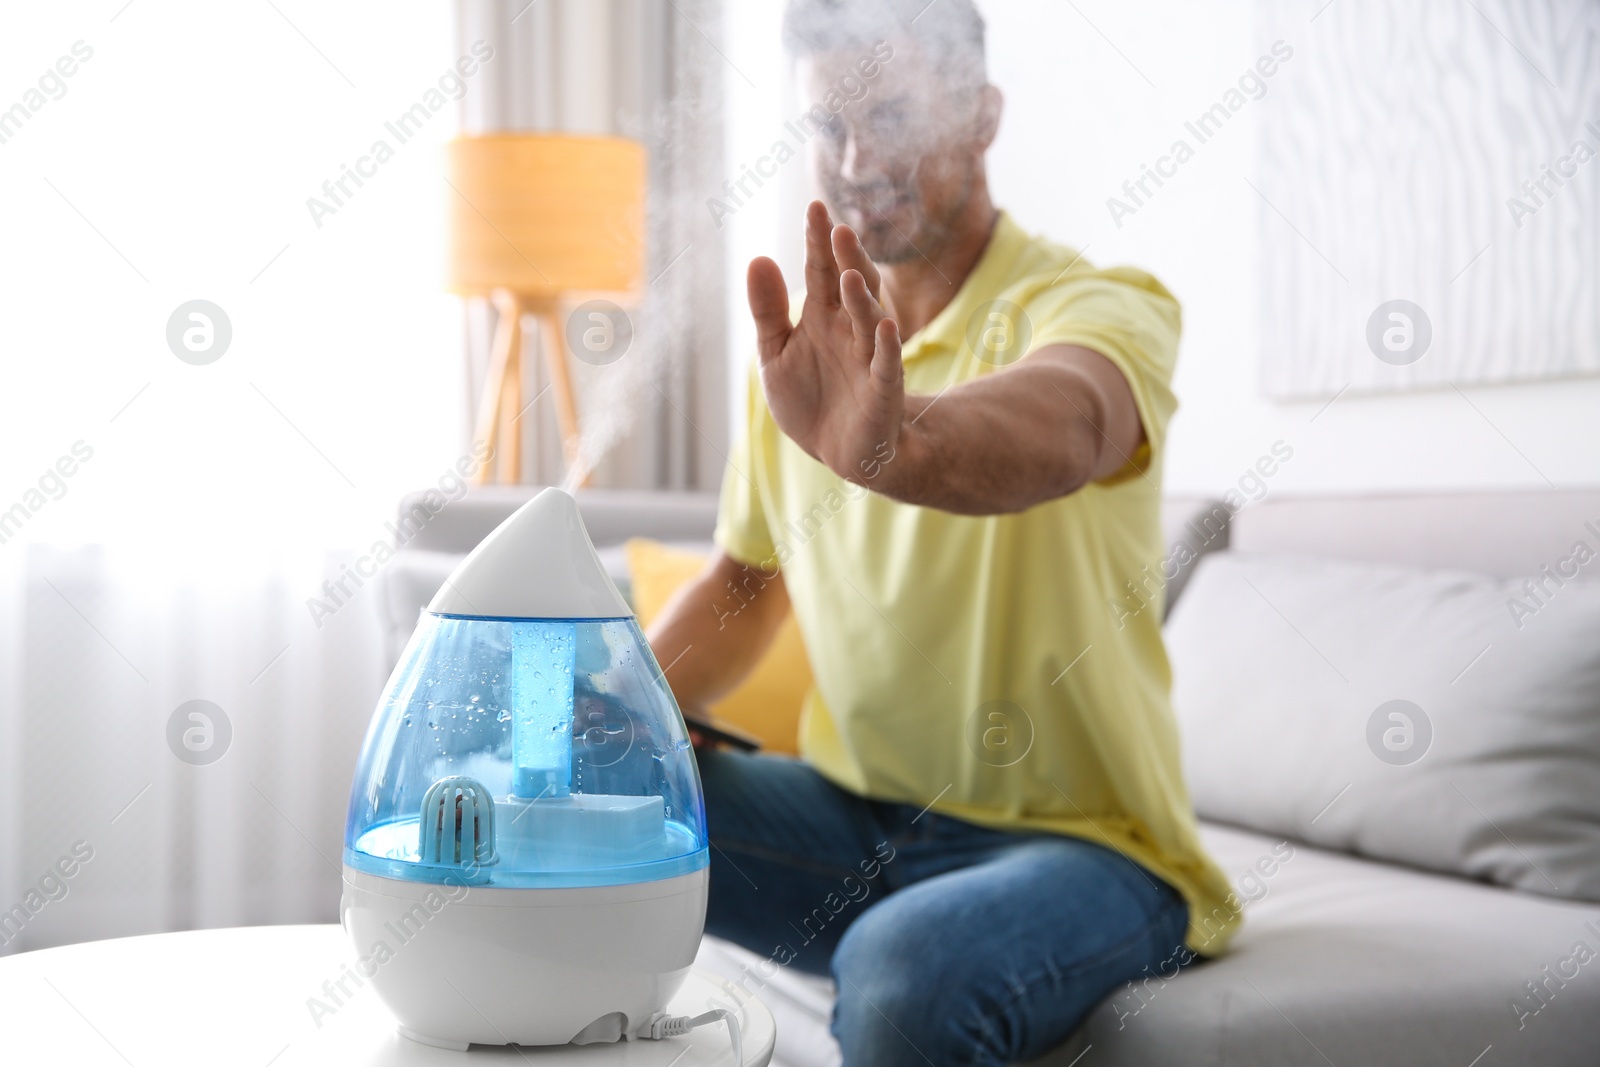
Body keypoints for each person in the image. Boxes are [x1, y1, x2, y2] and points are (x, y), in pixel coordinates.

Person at [646, 1, 1239, 1062]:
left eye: (893, 116)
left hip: (1088, 849)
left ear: (981, 117)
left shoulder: (1097, 304)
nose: (857, 158)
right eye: (826, 127)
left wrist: (898, 447)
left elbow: (1065, 425)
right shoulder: (804, 363)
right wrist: (628, 711)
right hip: (853, 821)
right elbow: (744, 585)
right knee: (576, 814)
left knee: (904, 971)